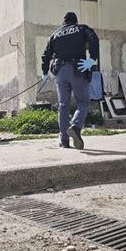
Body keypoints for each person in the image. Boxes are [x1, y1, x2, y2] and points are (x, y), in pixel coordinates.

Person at [41, 12, 99, 150]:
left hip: (60, 72)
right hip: (77, 68)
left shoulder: (54, 35)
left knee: (63, 105)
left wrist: (44, 72)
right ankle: (76, 126)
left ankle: (64, 140)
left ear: (64, 22)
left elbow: (45, 55)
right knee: (83, 101)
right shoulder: (82, 28)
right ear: (75, 21)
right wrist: (92, 58)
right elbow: (93, 39)